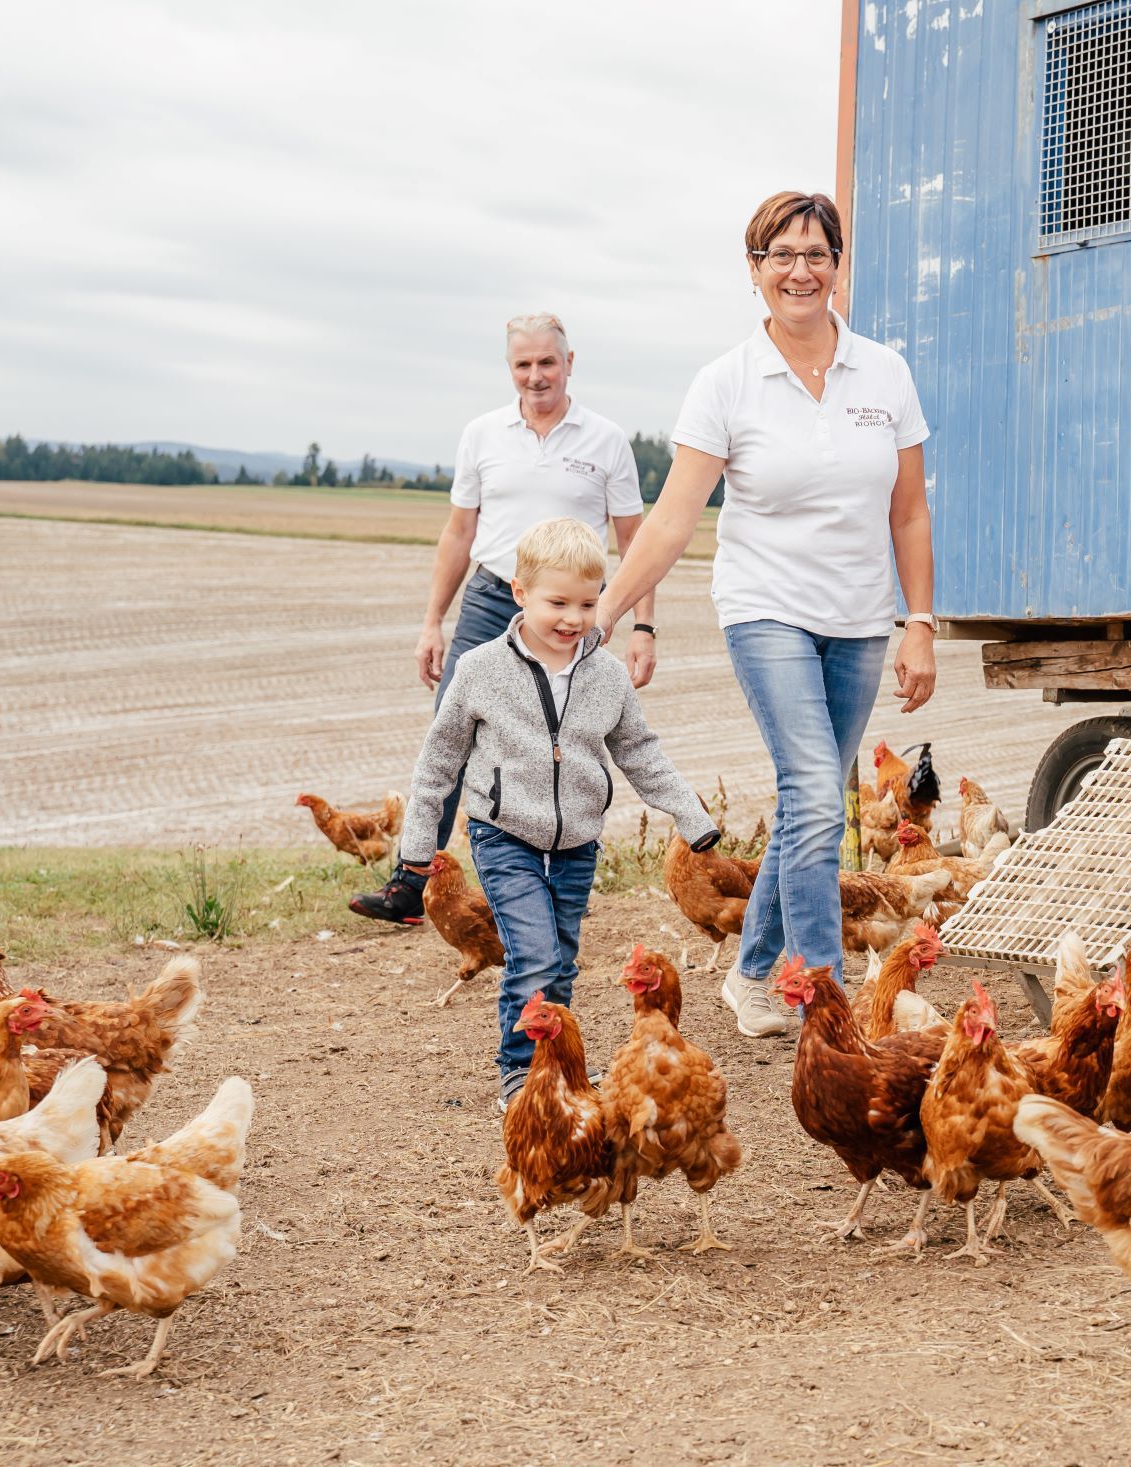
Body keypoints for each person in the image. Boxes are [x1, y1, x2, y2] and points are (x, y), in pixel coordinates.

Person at [592, 189, 938, 1039]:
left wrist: (919, 619)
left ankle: (749, 972)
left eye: (816, 253)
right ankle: (820, 996)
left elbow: (909, 511)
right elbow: (674, 516)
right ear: (755, 271)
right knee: (820, 793)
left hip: (859, 618)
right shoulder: (727, 383)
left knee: (808, 803)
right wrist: (605, 610)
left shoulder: (884, 372)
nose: (800, 270)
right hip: (765, 610)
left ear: (837, 265)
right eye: (781, 255)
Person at [395, 517, 718, 1110]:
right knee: (535, 954)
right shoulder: (481, 670)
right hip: (504, 836)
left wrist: (689, 816)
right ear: (520, 593)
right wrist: (417, 843)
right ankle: (520, 1071)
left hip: (577, 843)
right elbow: (438, 762)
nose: (573, 618)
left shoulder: (606, 676)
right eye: (558, 602)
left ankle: (557, 1062)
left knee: (562, 960)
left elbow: (640, 753)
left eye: (588, 604)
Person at [353, 312, 657, 925]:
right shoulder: (482, 434)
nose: (537, 375)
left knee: (563, 740)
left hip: (570, 613)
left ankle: (555, 877)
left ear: (570, 363)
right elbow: (459, 531)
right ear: (510, 369)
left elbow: (636, 540)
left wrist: (642, 627)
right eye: (524, 364)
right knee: (448, 733)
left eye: (548, 362)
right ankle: (414, 882)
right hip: (492, 596)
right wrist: (431, 621)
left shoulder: (605, 441)